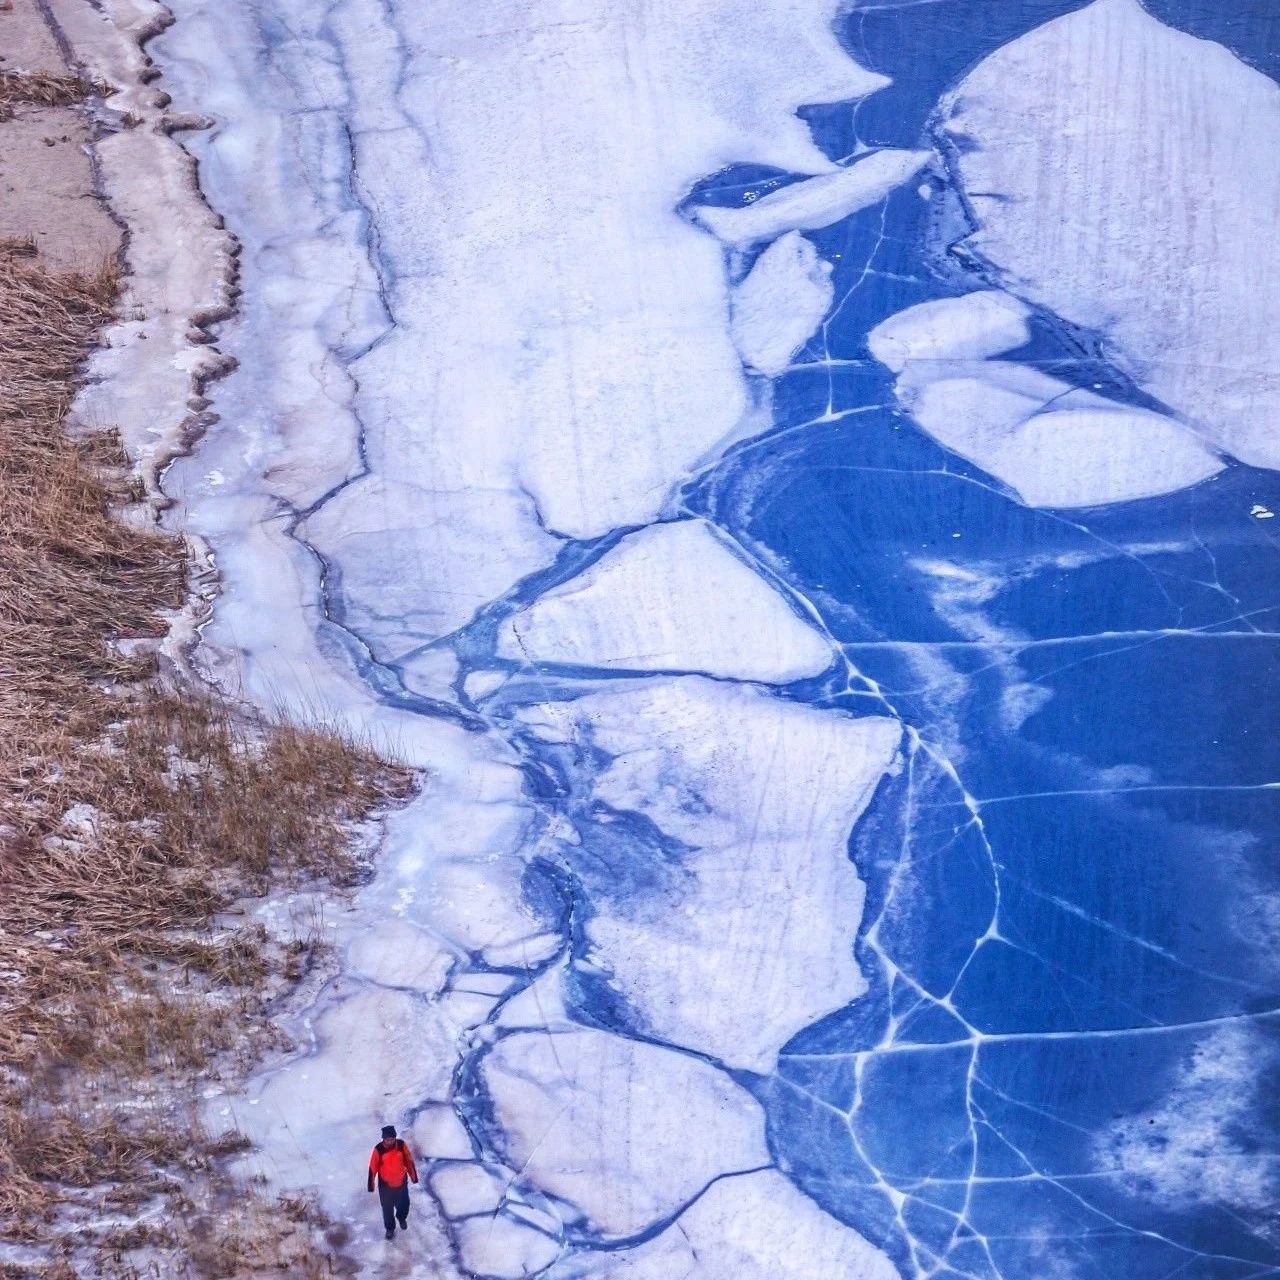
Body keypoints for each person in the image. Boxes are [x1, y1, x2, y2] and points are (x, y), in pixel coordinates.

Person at [367, 1124, 419, 1240]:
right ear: (383, 1139)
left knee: (404, 1205)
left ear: (395, 1137)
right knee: (387, 1209)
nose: (389, 1141)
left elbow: (408, 1161)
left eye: (391, 1139)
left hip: (401, 1183)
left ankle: (401, 1217)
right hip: (386, 1186)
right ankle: (390, 1229)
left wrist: (413, 1177)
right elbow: (372, 1168)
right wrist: (371, 1185)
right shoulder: (378, 1150)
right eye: (387, 1139)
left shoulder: (401, 1145)